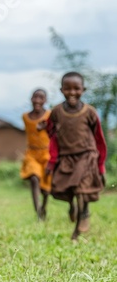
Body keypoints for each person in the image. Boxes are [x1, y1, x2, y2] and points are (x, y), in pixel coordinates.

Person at [45, 71, 107, 240]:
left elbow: (99, 140)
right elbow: (52, 136)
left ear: (83, 89)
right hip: (66, 158)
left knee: (82, 190)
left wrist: (101, 167)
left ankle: (77, 229)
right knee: (66, 190)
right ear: (61, 90)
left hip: (87, 157)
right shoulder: (56, 112)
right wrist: (52, 162)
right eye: (68, 89)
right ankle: (72, 207)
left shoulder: (90, 112)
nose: (72, 92)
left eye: (76, 89)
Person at [19, 89, 51, 221]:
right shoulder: (25, 117)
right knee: (34, 178)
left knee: (46, 188)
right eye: (35, 97)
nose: (37, 100)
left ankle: (44, 206)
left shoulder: (49, 116)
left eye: (41, 98)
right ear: (31, 99)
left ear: (45, 100)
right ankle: (38, 211)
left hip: (46, 153)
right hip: (31, 153)